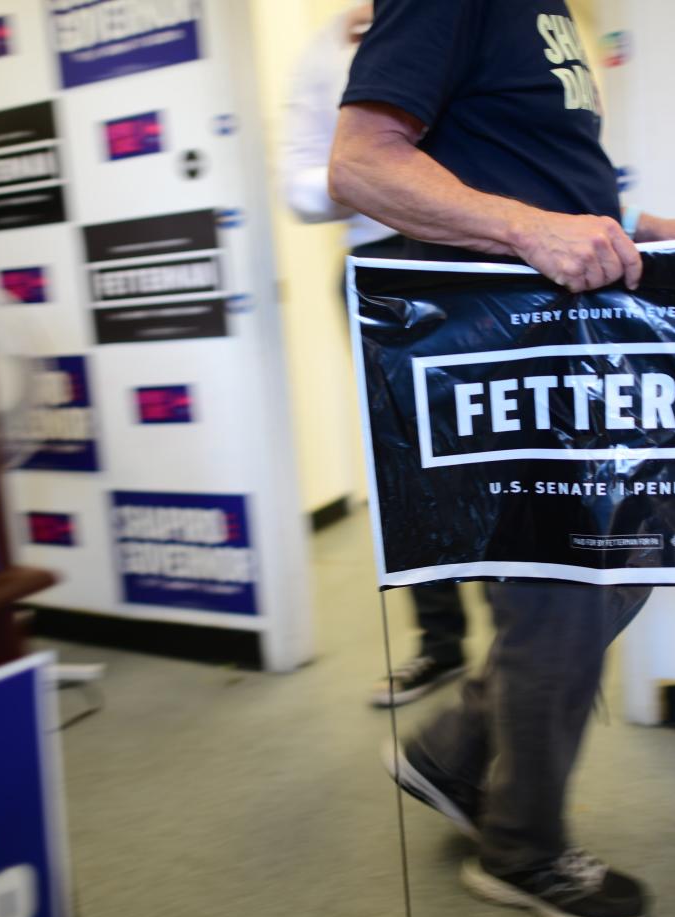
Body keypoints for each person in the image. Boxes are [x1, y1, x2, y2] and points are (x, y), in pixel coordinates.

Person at [330, 2, 675, 917]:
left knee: (614, 569)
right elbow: (360, 163)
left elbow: (516, 157)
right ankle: (520, 850)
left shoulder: (549, 9)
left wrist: (627, 228)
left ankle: (457, 751)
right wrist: (531, 233)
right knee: (563, 593)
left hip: (560, 332)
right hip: (502, 339)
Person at [280, 1, 472, 708]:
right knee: (407, 468)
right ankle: (441, 644)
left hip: (483, 254)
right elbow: (298, 186)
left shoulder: (470, 17)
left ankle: (526, 646)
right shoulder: (326, 46)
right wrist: (371, 174)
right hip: (379, 266)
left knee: (507, 450)